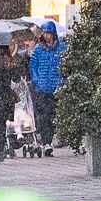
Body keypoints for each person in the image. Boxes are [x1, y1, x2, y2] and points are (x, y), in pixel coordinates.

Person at [28, 19, 64, 155]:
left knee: (53, 116)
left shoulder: (61, 49)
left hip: (56, 87)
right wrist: (36, 80)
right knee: (43, 116)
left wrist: (61, 80)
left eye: (48, 33)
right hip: (42, 88)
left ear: (53, 33)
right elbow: (33, 66)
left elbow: (65, 66)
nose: (46, 35)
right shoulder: (38, 49)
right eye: (44, 33)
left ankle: (49, 141)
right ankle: (45, 142)